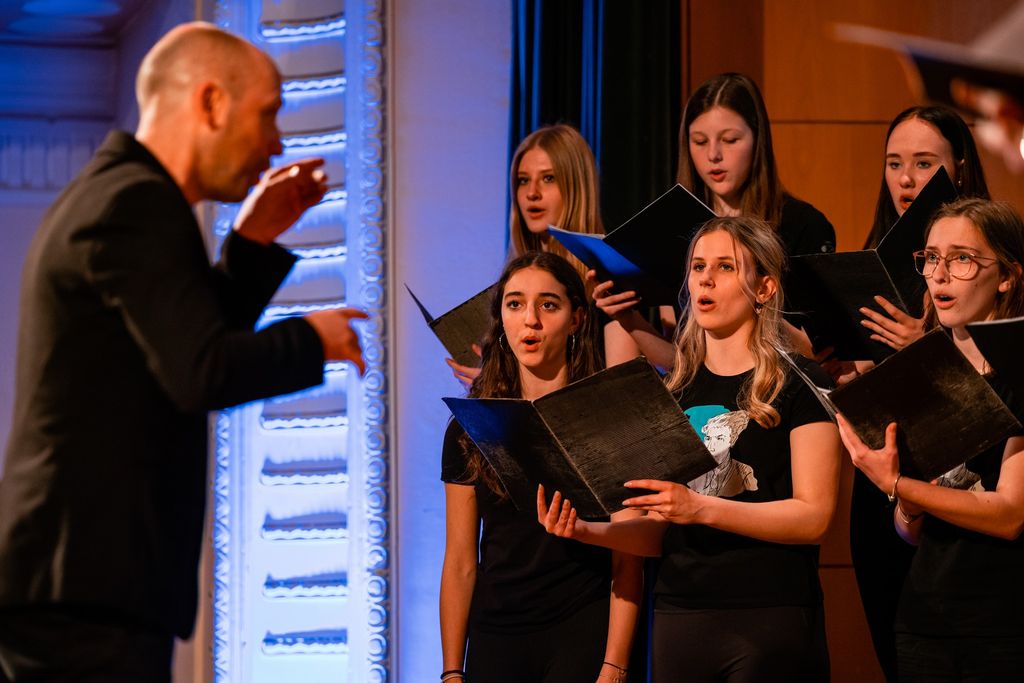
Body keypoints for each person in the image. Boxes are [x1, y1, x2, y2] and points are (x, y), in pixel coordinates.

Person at [0, 22, 365, 681]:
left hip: (80, 583)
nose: (277, 142)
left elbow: (176, 348)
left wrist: (251, 244)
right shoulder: (137, 202)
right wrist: (312, 338)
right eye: (268, 113)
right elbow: (201, 370)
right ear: (211, 102)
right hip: (83, 587)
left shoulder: (118, 192)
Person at [539, 216, 841, 682]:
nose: (705, 278)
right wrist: (585, 531)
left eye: (725, 266)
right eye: (698, 266)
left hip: (769, 614)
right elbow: (657, 531)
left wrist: (700, 508)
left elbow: (814, 517)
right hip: (679, 616)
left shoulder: (800, 381)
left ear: (764, 288)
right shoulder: (672, 391)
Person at [821, 105, 991, 683]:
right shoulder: (874, 257)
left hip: (965, 481)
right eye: (894, 164)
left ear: (959, 168)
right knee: (897, 648)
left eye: (923, 163)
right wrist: (841, 369)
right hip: (882, 480)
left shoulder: (992, 260)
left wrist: (926, 346)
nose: (906, 179)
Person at [838, 198, 1024, 682]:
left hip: (1004, 626)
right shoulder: (919, 378)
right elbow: (912, 531)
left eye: (962, 259)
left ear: (1006, 276)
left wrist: (896, 484)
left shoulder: (1018, 375)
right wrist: (908, 502)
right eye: (932, 257)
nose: (939, 275)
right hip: (925, 622)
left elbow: (1010, 515)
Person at [440, 252, 641, 683]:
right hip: (496, 634)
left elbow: (628, 557)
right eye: (515, 304)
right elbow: (459, 559)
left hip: (581, 626)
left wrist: (615, 664)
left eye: (548, 305)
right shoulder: (471, 425)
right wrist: (452, 671)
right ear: (500, 319)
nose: (529, 320)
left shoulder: (609, 419)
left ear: (577, 319)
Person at [594, 73, 836, 370]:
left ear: (757, 140)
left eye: (730, 140)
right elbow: (682, 363)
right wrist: (628, 319)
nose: (713, 155)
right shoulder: (675, 225)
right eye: (699, 141)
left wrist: (750, 300)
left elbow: (815, 354)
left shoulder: (803, 225)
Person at [447, 124, 640, 383]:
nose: (532, 193)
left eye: (548, 178)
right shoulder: (511, 283)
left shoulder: (608, 283)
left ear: (576, 187)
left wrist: (509, 387)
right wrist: (493, 384)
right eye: (523, 180)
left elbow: (622, 392)